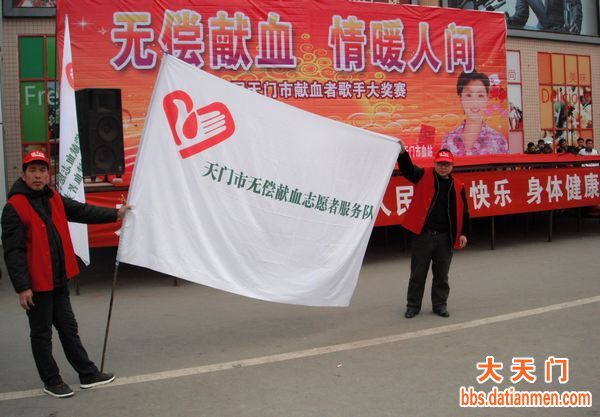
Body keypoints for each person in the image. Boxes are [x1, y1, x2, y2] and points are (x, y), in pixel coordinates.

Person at [1, 150, 131, 398]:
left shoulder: (53, 198)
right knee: (42, 335)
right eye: (32, 171)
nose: (37, 175)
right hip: (36, 284)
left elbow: (83, 211)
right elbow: (13, 252)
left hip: (58, 279)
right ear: (24, 175)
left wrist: (116, 213)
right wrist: (22, 287)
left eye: (42, 170)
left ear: (48, 175)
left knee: (69, 329)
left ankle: (87, 374)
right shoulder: (14, 207)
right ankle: (51, 380)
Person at [396, 145, 469, 319]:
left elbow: (465, 212)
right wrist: (403, 154)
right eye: (440, 163)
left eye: (446, 164)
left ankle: (440, 305)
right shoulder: (423, 175)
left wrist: (463, 233)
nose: (443, 167)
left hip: (446, 237)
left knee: (441, 276)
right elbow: (407, 169)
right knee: (418, 274)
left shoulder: (458, 186)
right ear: (434, 163)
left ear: (452, 166)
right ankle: (413, 306)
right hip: (424, 235)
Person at [442, 71, 508, 156]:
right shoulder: (449, 139)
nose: (474, 102)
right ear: (460, 98)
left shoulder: (498, 140)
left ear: (486, 99)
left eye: (480, 95)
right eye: (469, 95)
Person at [506, 0, 582, 34]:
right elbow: (521, 16)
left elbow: (574, 6)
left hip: (562, 34)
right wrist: (506, 21)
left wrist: (575, 27)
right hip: (542, 36)